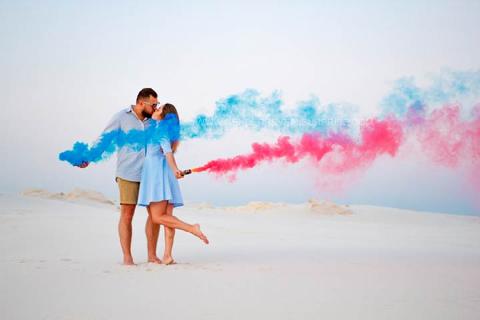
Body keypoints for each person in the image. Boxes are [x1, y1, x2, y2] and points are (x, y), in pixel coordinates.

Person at [79, 88, 163, 265]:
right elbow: (105, 138)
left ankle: (152, 255)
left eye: (157, 104)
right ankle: (127, 257)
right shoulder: (121, 117)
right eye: (153, 104)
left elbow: (164, 142)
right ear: (141, 102)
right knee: (127, 214)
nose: (156, 107)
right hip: (128, 172)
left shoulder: (155, 120)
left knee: (155, 215)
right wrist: (89, 157)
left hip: (151, 174)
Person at [138, 103, 209, 265]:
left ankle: (192, 228)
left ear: (165, 116)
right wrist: (174, 171)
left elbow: (168, 153)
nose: (156, 109)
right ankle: (167, 256)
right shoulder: (157, 128)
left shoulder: (160, 129)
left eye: (159, 109)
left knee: (157, 217)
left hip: (157, 176)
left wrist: (176, 169)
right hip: (162, 173)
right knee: (166, 217)